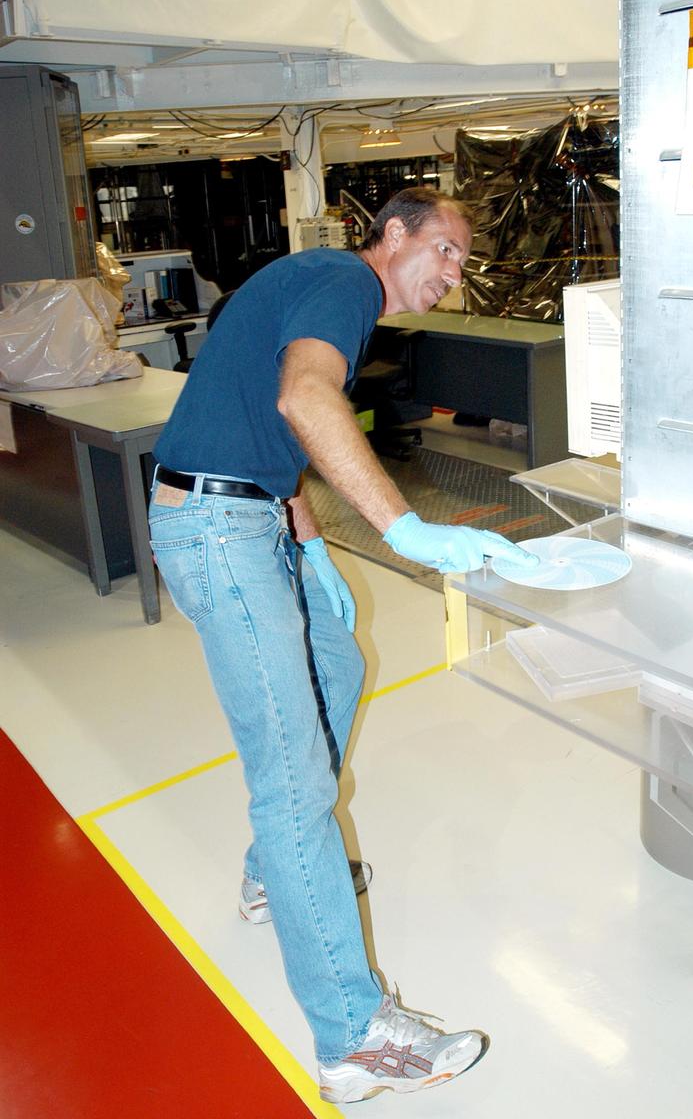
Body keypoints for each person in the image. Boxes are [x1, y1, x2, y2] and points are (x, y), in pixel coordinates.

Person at [148, 187, 536, 1104]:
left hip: (247, 516)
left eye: (462, 261)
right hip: (215, 531)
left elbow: (266, 427)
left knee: (340, 659)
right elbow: (304, 399)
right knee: (294, 784)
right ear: (392, 234)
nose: (452, 273)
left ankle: (267, 875)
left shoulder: (322, 288)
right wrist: (405, 530)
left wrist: (314, 551)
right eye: (442, 248)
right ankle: (353, 1038)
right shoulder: (341, 282)